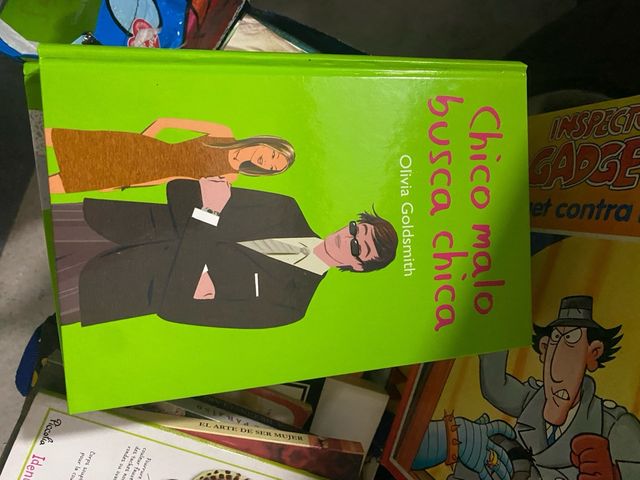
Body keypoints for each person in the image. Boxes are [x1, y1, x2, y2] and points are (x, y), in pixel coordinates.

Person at [53, 177, 398, 328]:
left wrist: (210, 214)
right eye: (355, 228)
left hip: (116, 289)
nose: (347, 237)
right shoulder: (286, 209)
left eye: (358, 246)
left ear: (358, 266)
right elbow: (182, 190)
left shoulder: (290, 306)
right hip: (108, 221)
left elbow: (176, 309)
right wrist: (195, 270)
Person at [414, 295, 640, 479]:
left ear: (593, 353)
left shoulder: (614, 425)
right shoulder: (534, 400)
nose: (556, 363)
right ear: (544, 349)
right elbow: (496, 386)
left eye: (571, 340)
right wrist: (492, 323)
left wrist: (617, 475)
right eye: (554, 341)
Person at [46, 117, 295, 193]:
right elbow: (164, 121)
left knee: (56, 186)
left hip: (140, 173)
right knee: (54, 139)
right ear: (267, 143)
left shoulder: (230, 177)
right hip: (134, 147)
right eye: (274, 156)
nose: (268, 162)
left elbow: (171, 178)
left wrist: (125, 184)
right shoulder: (223, 133)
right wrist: (140, 144)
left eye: (273, 168)